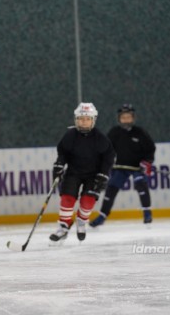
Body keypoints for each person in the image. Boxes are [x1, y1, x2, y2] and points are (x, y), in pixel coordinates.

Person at [49, 103, 115, 243]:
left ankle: (81, 220)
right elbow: (63, 152)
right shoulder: (70, 135)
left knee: (87, 201)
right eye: (80, 118)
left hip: (93, 175)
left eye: (87, 119)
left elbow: (109, 156)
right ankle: (64, 226)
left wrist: (104, 173)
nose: (83, 121)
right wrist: (59, 164)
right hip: (74, 172)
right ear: (75, 119)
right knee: (67, 198)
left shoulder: (100, 138)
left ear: (93, 120)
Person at [89, 104, 156, 228]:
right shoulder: (114, 132)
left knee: (141, 184)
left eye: (128, 117)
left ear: (133, 118)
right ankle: (102, 216)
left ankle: (147, 213)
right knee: (111, 188)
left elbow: (150, 149)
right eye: (123, 117)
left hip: (137, 168)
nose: (126, 120)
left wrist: (147, 162)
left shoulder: (140, 132)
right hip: (120, 168)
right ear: (119, 118)